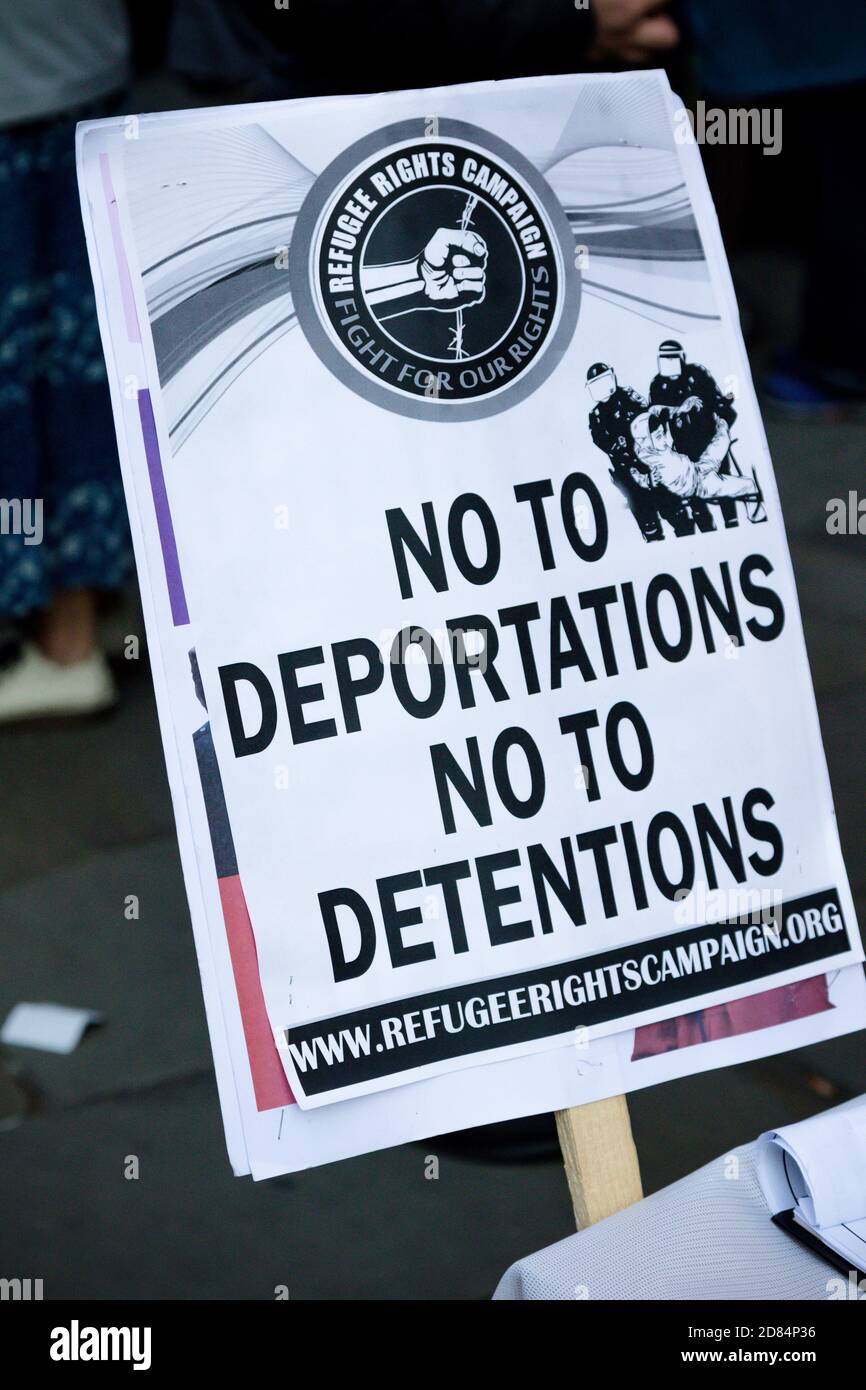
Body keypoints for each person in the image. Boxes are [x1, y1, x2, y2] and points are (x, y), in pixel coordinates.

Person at [0, 0, 134, 722]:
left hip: (35, 82)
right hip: (73, 67)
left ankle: (62, 633)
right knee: (65, 370)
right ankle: (62, 626)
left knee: (35, 389)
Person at [648, 339, 740, 528]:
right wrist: (678, 409)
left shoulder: (697, 374)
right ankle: (707, 530)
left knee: (722, 480)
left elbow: (717, 401)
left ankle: (732, 524)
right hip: (683, 444)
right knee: (692, 490)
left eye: (673, 358)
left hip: (709, 437)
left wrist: (725, 413)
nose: (669, 363)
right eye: (665, 358)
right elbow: (653, 414)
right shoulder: (658, 384)